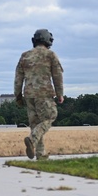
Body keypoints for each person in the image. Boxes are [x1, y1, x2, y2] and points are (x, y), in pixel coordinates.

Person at [14, 28, 64, 160]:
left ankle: (40, 154)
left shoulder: (25, 56)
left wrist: (17, 96)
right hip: (44, 92)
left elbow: (18, 78)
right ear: (48, 40)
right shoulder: (50, 55)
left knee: (35, 123)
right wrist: (60, 94)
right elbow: (57, 76)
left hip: (28, 94)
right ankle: (32, 139)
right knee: (50, 116)